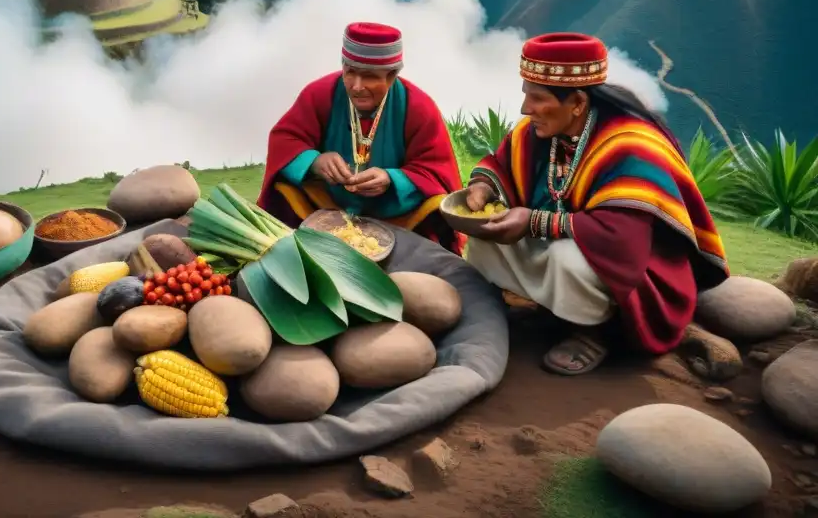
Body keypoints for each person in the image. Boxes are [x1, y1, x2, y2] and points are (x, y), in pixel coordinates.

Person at [464, 32, 729, 375]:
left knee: (569, 257)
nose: (525, 109)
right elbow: (501, 164)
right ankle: (508, 306)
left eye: (538, 98)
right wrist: (483, 186)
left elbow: (620, 240)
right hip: (564, 243)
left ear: (576, 101)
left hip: (632, 272)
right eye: (526, 95)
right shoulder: (540, 128)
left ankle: (595, 330)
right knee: (485, 233)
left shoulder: (633, 145)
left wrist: (533, 222)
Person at [259, 22, 463, 252]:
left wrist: (392, 179)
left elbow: (437, 170)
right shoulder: (320, 93)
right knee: (285, 189)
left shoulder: (418, 107)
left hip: (397, 215)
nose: (356, 87)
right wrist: (314, 161)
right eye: (350, 72)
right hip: (327, 208)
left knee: (435, 204)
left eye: (369, 77)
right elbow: (285, 140)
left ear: (392, 75)